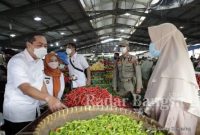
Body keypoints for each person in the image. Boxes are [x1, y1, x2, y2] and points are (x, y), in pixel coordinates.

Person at [2, 33, 65, 135]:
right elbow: (25, 88)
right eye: (39, 45)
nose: (43, 48)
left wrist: (47, 101)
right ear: (28, 45)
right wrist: (48, 98)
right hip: (18, 113)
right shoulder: (17, 61)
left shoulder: (39, 61)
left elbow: (41, 82)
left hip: (34, 109)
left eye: (45, 46)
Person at [144, 23, 200, 135]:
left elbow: (174, 98)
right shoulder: (172, 59)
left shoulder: (176, 63)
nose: (154, 45)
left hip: (173, 112)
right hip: (168, 108)